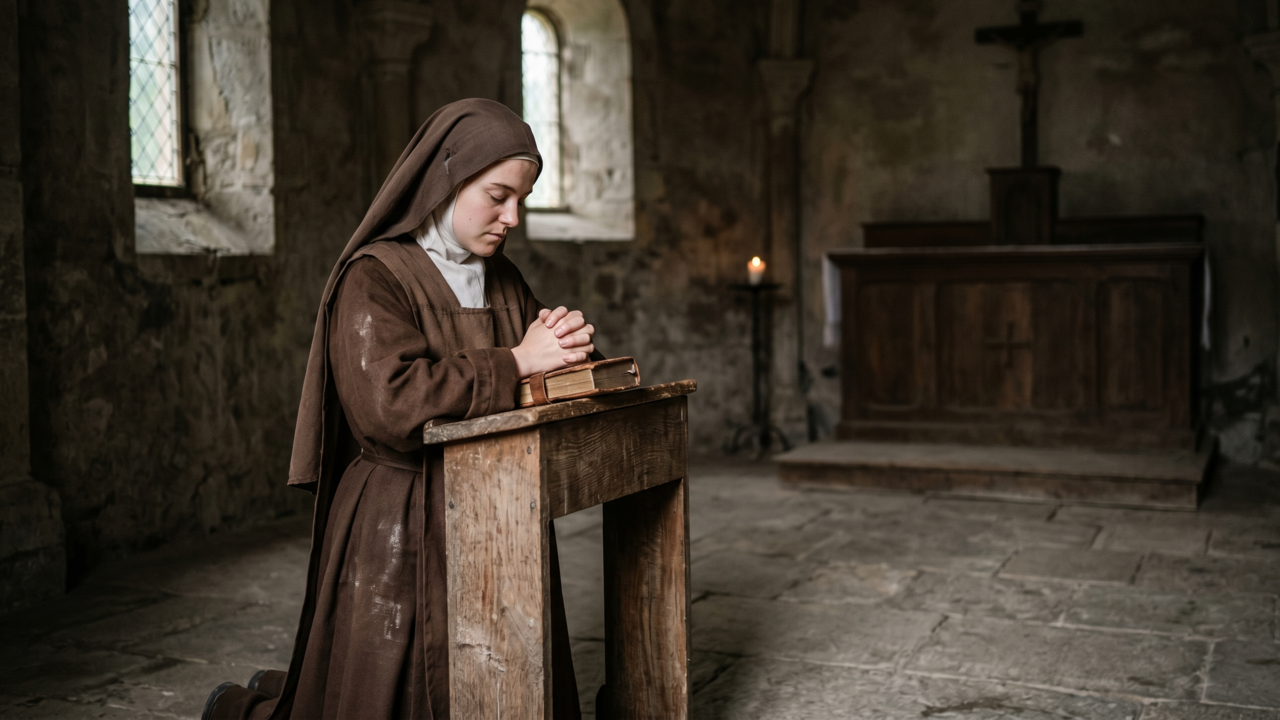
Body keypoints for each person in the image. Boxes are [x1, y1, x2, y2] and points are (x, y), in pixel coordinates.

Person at [203, 98, 591, 720]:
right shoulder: (374, 276)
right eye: (498, 196)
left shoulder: (504, 278)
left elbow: (539, 367)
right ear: (447, 179)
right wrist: (518, 361)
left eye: (522, 199)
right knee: (399, 690)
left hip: (500, 508)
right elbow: (391, 405)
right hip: (402, 513)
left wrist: (571, 350)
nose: (512, 217)